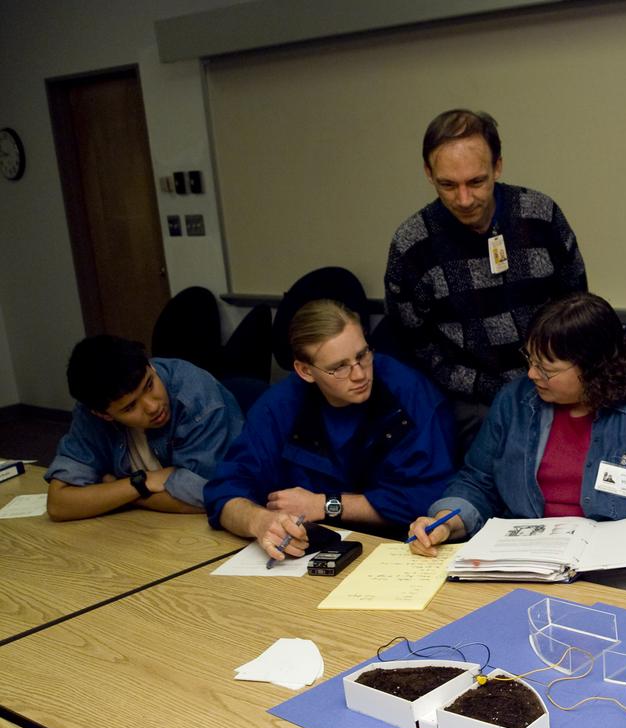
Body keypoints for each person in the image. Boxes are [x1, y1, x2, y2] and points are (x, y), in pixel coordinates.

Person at [408, 292, 626, 597]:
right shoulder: (515, 402)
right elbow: (478, 480)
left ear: (594, 368)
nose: (532, 374)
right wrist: (450, 520)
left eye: (547, 369)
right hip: (530, 566)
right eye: (530, 359)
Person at [383, 108, 587, 451]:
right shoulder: (412, 245)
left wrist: (553, 376)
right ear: (428, 174)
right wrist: (488, 388)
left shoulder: (540, 215)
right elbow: (414, 345)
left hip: (556, 384)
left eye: (476, 182)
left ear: (498, 167)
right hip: (472, 402)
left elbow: (576, 306)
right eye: (448, 185)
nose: (464, 199)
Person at [205, 300, 454, 560]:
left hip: (402, 548)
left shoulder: (410, 393)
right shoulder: (278, 407)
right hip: (309, 553)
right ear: (305, 371)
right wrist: (259, 521)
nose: (359, 375)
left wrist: (325, 504)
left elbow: (432, 498)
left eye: (362, 355)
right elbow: (224, 491)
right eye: (339, 367)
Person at [45, 335, 243, 521]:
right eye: (130, 407)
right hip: (144, 530)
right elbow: (59, 504)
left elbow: (214, 497)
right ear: (103, 414)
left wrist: (113, 490)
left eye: (149, 385)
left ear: (150, 366)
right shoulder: (92, 410)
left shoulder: (196, 396)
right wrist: (142, 482)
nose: (152, 406)